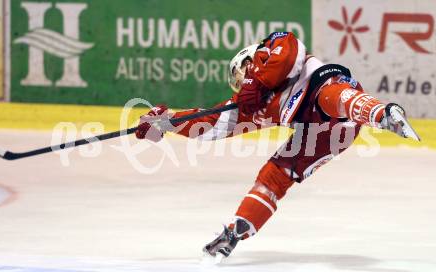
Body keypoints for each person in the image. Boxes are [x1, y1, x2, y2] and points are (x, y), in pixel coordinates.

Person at [135, 32, 420, 259]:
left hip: (319, 88)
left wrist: (255, 80)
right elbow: (211, 123)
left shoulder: (272, 50)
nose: (240, 87)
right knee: (275, 173)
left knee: (330, 97)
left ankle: (383, 114)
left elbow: (290, 46)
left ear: (250, 61)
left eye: (241, 77)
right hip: (321, 133)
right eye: (238, 84)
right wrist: (167, 122)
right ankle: (237, 230)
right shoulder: (254, 106)